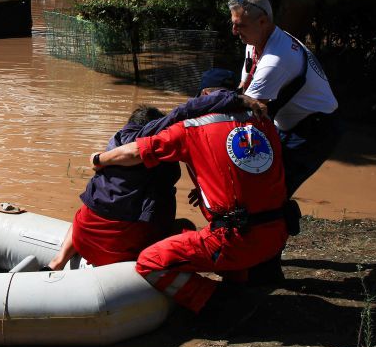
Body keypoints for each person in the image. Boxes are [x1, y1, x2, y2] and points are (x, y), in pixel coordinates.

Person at [89, 92, 293, 314]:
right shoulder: (263, 123)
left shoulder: (191, 128)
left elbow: (137, 151)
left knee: (150, 261)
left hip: (235, 242)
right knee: (229, 225)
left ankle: (218, 304)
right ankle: (237, 285)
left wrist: (99, 159)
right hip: (278, 236)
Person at [48, 92, 269, 271]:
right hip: (124, 245)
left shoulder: (115, 141)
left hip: (85, 234)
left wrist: (98, 159)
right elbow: (185, 111)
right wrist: (237, 99)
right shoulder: (149, 142)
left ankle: (58, 261)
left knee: (84, 209)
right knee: (185, 226)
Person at [228, 0, 343, 197]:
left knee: (271, 192)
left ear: (263, 22)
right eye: (233, 24)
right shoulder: (255, 41)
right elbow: (244, 89)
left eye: (240, 25)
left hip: (315, 128)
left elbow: (245, 113)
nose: (234, 31)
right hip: (287, 121)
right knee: (256, 180)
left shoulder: (275, 60)